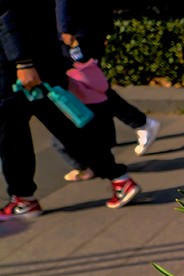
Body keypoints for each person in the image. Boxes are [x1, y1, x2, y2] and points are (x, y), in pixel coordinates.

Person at [0, 0, 141, 220]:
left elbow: (7, 13)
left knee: (16, 133)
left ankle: (24, 198)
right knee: (60, 126)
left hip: (20, 67)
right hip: (38, 57)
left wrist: (23, 62)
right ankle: (118, 176)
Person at [55, 0, 160, 179]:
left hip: (78, 33)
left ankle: (138, 125)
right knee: (91, 89)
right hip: (88, 29)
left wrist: (65, 30)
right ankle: (102, 152)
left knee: (89, 90)